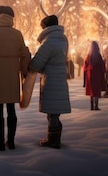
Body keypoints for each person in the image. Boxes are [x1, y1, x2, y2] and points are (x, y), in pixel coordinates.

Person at [0, 5, 31, 151]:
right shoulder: (17, 34)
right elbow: (25, 54)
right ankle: (11, 141)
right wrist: (24, 72)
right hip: (13, 74)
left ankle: (0, 142)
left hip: (0, 73)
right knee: (11, 109)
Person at [28, 15, 71, 149]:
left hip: (51, 80)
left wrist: (29, 60)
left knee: (52, 114)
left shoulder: (48, 42)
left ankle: (53, 140)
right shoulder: (63, 40)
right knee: (55, 112)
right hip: (60, 78)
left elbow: (36, 64)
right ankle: (55, 138)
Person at [83, 41, 106, 111]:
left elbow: (85, 67)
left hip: (90, 76)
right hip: (97, 75)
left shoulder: (88, 56)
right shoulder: (98, 57)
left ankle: (92, 106)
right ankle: (96, 105)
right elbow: (102, 66)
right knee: (96, 91)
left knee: (91, 91)